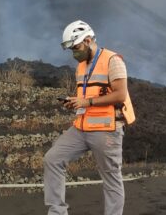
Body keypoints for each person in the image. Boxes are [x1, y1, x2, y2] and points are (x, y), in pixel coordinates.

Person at [44, 20, 136, 215]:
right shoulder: (82, 66)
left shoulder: (113, 60)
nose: (74, 53)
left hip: (106, 130)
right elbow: (87, 93)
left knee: (111, 178)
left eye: (75, 47)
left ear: (87, 40)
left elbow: (120, 94)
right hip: (82, 127)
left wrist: (87, 103)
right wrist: (75, 101)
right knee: (52, 159)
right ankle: (57, 212)